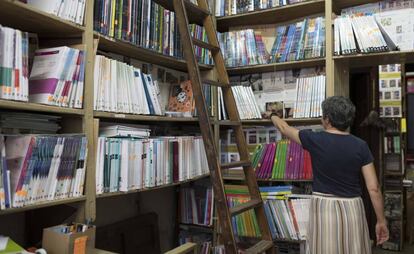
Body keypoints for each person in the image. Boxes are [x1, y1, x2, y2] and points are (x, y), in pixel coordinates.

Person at [270, 96, 389, 254]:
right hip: (352, 208)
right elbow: (373, 188)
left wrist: (273, 116)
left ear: (327, 119)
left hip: (323, 208)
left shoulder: (314, 139)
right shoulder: (361, 146)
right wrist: (381, 221)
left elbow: (284, 128)